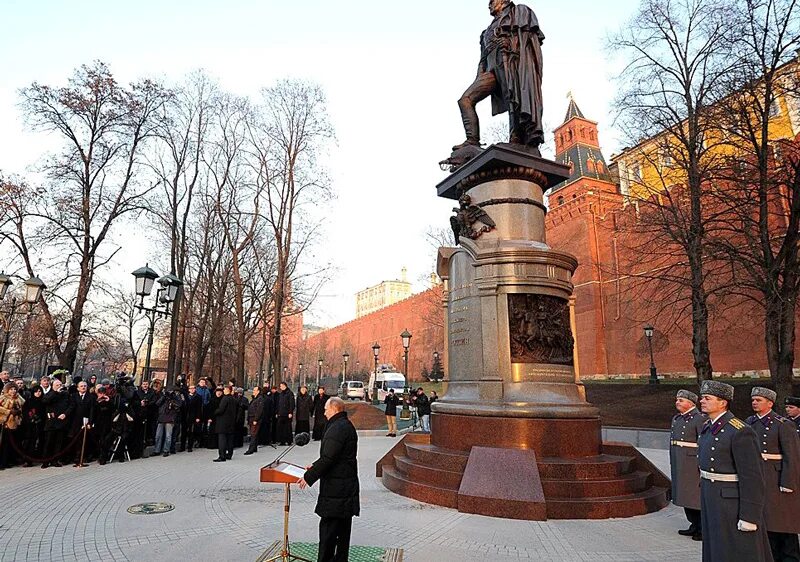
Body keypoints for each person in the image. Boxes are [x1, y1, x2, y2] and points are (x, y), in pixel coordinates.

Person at [453, 0, 545, 152]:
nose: (489, 5)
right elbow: (482, 58)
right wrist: (479, 76)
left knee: (513, 97)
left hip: (510, 61)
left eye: (492, 1)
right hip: (491, 67)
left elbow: (528, 38)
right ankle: (472, 140)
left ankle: (515, 138)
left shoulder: (519, 12)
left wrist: (511, 43)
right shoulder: (486, 31)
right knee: (465, 100)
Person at [697, 380, 772, 562]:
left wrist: (749, 516)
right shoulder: (709, 427)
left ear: (722, 402)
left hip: (730, 502)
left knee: (735, 549)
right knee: (715, 546)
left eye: (707, 398)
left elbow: (753, 477)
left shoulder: (739, 431)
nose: (702, 401)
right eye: (702, 398)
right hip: (711, 497)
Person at [299, 397, 360, 562]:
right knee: (342, 533)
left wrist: (309, 476)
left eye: (326, 409)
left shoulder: (338, 428)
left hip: (337, 491)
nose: (324, 413)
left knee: (329, 534)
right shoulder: (342, 425)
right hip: (343, 487)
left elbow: (328, 458)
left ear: (334, 409)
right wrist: (314, 466)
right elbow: (333, 456)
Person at [747, 387, 800, 562]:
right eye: (753, 399)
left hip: (776, 478)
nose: (755, 402)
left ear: (770, 403)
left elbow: (791, 456)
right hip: (758, 476)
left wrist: (788, 482)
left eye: (759, 400)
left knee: (783, 520)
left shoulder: (783, 424)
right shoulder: (749, 422)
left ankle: (790, 557)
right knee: (766, 519)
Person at [669, 389, 705, 541]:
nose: (678, 402)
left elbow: (703, 443)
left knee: (694, 497)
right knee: (684, 495)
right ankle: (693, 524)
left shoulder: (699, 419)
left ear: (691, 403)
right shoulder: (677, 418)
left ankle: (702, 528)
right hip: (680, 462)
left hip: (692, 463)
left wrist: (700, 465)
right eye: (677, 400)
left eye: (681, 400)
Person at [41, 378, 73, 469]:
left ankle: (55, 460)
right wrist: (55, 392)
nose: (59, 387)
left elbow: (71, 405)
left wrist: (65, 414)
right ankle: (45, 461)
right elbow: (45, 401)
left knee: (58, 443)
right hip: (51, 422)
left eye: (60, 385)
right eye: (57, 385)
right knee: (48, 442)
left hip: (61, 422)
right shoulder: (49, 394)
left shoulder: (66, 394)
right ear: (53, 386)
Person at [68, 381, 96, 464]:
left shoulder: (91, 397)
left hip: (86, 421)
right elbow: (71, 407)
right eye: (81, 386)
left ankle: (84, 457)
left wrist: (90, 422)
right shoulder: (74, 396)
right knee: (76, 440)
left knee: (85, 440)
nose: (83, 387)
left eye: (85, 386)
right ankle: (76, 457)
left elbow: (92, 411)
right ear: (78, 388)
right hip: (76, 421)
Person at [0, 382, 25, 470]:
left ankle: (8, 461)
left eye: (14, 389)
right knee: (3, 444)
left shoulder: (19, 398)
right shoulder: (3, 397)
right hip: (4, 423)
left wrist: (18, 413)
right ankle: (2, 462)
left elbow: (21, 408)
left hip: (14, 423)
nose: (13, 391)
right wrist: (8, 412)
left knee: (11, 444)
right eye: (11, 389)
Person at [153, 386, 183, 457]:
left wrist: (174, 397)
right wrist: (164, 396)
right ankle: (157, 450)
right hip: (161, 417)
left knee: (168, 436)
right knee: (158, 436)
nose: (169, 392)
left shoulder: (176, 397)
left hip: (170, 418)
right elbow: (157, 403)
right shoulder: (163, 396)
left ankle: (166, 450)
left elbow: (179, 405)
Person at [214, 386, 237, 462]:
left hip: (223, 423)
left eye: (224, 389)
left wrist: (215, 412)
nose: (223, 390)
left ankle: (222, 456)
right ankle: (229, 454)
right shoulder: (233, 399)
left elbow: (221, 410)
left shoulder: (225, 398)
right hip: (231, 422)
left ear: (227, 390)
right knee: (230, 439)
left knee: (222, 440)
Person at [244, 386, 265, 455]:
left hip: (254, 418)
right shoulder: (255, 399)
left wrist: (256, 419)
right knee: (254, 433)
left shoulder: (260, 399)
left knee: (253, 434)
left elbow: (259, 410)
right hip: (251, 418)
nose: (253, 391)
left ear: (258, 391)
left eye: (255, 390)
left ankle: (251, 449)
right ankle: (254, 447)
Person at [183, 384, 203, 452]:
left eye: (193, 388)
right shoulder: (185, 396)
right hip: (185, 415)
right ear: (188, 389)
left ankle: (189, 446)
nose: (192, 390)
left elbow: (199, 408)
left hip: (193, 415)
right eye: (190, 388)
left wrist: (198, 417)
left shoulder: (198, 397)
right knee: (184, 431)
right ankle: (182, 446)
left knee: (191, 432)